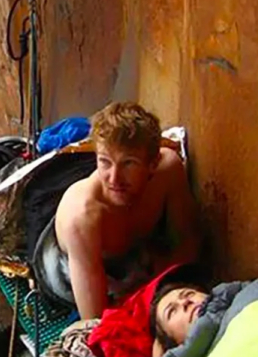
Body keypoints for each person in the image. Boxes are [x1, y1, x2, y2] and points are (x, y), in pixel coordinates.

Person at [39, 101, 202, 321]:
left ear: (152, 164)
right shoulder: (83, 216)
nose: (114, 178)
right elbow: (95, 321)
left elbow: (185, 243)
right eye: (105, 162)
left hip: (130, 256)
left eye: (129, 164)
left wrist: (165, 288)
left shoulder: (169, 171)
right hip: (65, 266)